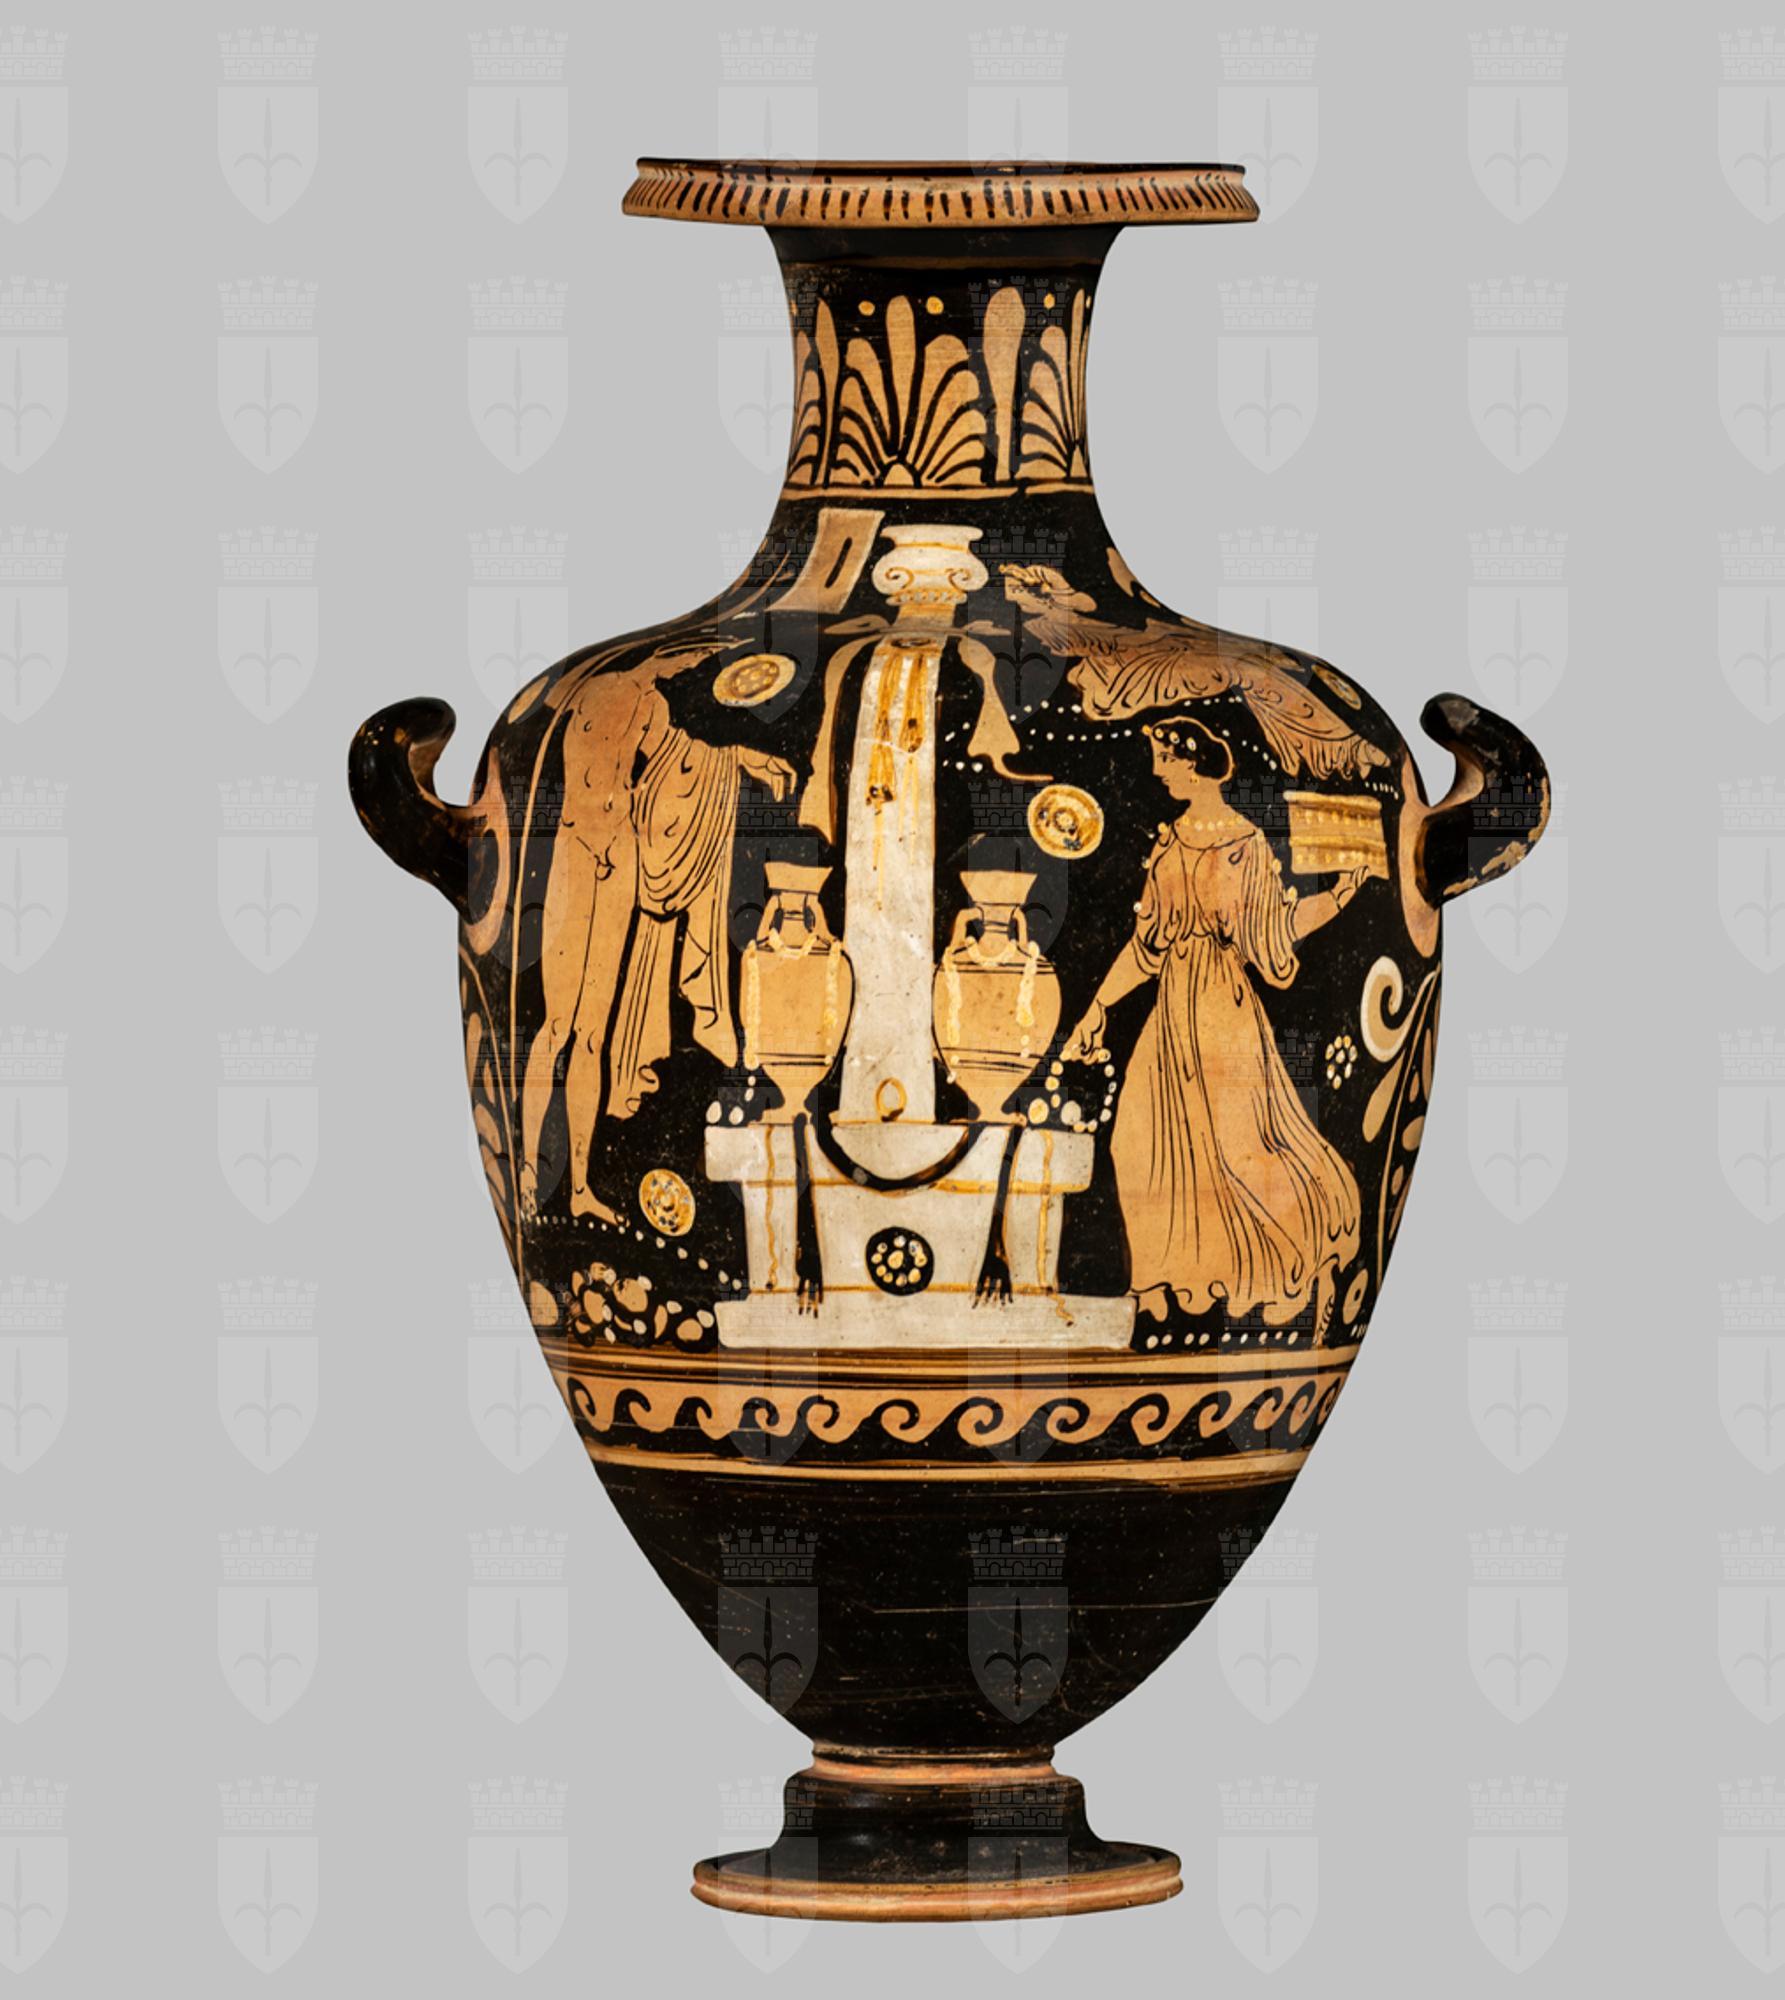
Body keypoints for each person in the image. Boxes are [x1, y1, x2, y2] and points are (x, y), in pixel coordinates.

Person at [1062, 715, 1363, 1329]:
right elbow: (1146, 945)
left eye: (1164, 759)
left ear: (1191, 761)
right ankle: (1170, 1284)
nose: (1156, 772)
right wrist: (1098, 1006)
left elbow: (1274, 930)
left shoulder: (1246, 844)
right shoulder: (1171, 841)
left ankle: (1305, 1263)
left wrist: (1338, 898)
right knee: (1137, 1139)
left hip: (1223, 1010)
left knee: (1244, 1149)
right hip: (1172, 1011)